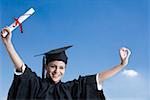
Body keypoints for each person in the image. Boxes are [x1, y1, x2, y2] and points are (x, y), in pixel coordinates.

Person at [1, 27, 131, 100]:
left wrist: (121, 65)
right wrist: (8, 44)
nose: (57, 71)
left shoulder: (71, 89)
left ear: (65, 68)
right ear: (46, 67)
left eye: (61, 67)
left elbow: (98, 78)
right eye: (53, 66)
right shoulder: (37, 85)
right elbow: (21, 67)